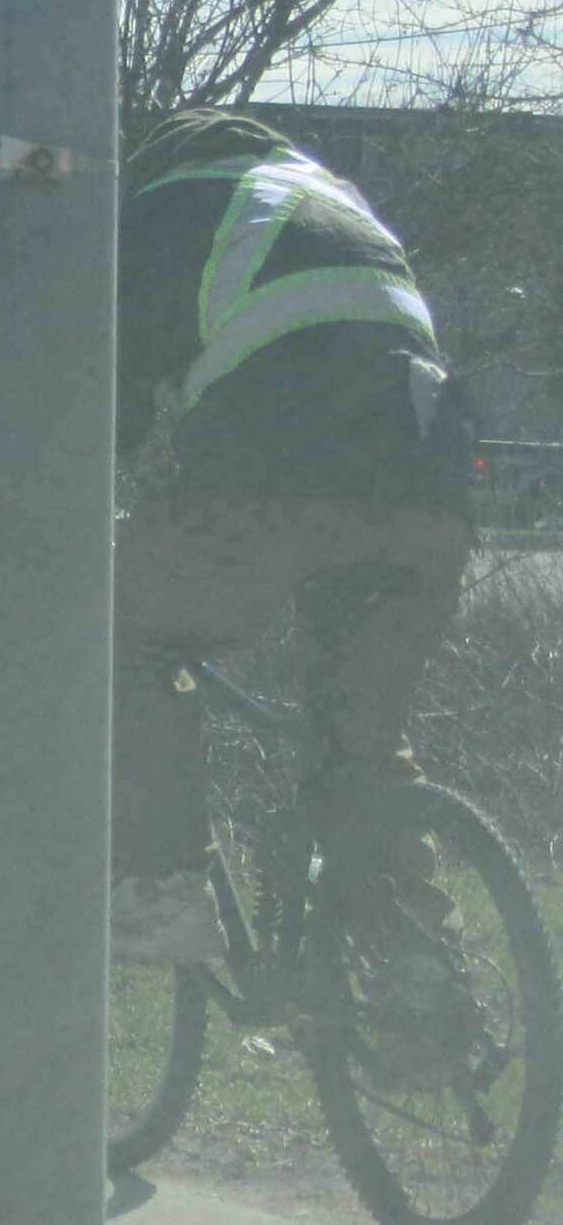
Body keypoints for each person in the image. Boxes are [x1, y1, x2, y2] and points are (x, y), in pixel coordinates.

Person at [109, 107, 473, 963]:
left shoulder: (163, 207)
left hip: (277, 480)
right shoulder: (337, 203)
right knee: (362, 744)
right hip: (433, 491)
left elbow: (108, 412)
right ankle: (421, 984)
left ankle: (159, 889)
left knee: (117, 634)